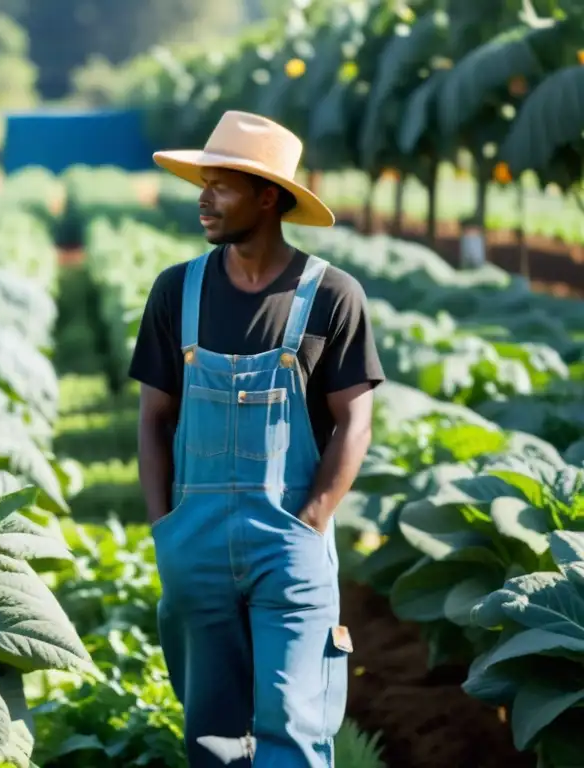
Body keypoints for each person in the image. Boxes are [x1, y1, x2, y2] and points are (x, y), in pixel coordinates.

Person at [129, 111, 384, 767]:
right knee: (212, 736)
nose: (203, 198)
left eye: (221, 185)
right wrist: (167, 529)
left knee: (293, 727)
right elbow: (154, 420)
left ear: (268, 197)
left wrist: (311, 522)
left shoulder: (332, 296)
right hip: (196, 545)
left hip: (291, 544)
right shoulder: (176, 292)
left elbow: (355, 422)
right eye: (203, 183)